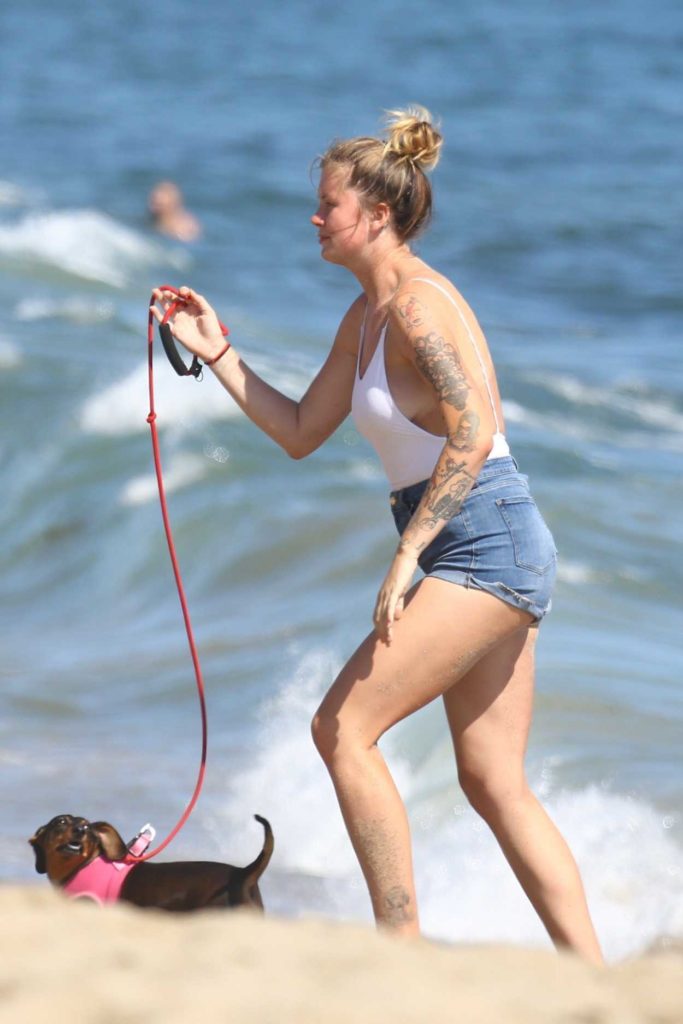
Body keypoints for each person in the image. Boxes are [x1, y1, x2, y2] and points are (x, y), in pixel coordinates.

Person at [151, 106, 603, 965]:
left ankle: (401, 957)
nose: (314, 218)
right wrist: (216, 351)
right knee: (491, 781)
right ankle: (593, 979)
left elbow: (473, 433)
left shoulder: (418, 311)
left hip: (487, 541)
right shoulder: (364, 317)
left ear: (378, 216)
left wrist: (405, 557)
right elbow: (297, 431)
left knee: (341, 729)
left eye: (327, 205)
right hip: (473, 541)